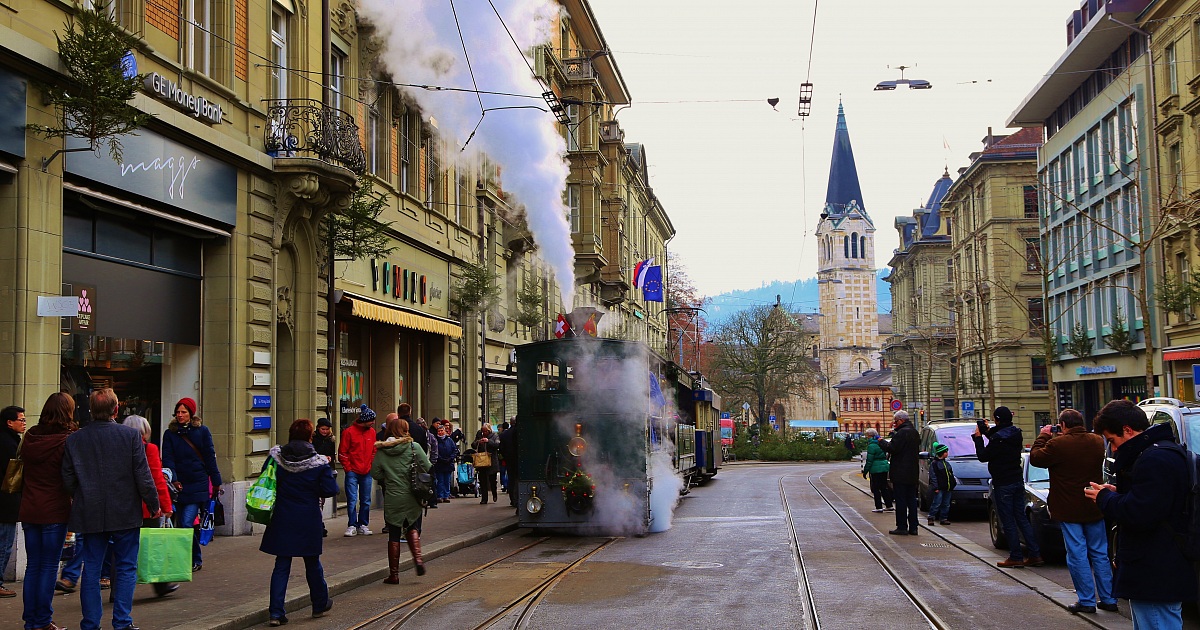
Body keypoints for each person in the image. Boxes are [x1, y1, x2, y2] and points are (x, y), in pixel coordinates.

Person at [1085, 399, 1196, 628]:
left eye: (1113, 441)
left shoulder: (1153, 458)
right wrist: (1119, 493)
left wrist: (1106, 499)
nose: (1113, 448)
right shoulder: (1161, 452)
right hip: (1159, 563)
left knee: (1155, 621)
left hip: (1155, 566)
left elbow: (1141, 513)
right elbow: (1154, 500)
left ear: (1127, 430)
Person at [62, 388, 160, 630]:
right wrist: (153, 503)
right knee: (126, 567)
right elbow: (143, 475)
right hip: (125, 510)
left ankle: (91, 624)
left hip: (90, 510)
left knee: (92, 568)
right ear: (116, 410)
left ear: (91, 410)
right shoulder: (130, 437)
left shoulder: (75, 439)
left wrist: (81, 494)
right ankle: (122, 622)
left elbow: (67, 477)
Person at [1029, 408, 1115, 615]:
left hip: (1068, 507)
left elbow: (1036, 458)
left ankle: (1086, 600)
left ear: (1063, 425)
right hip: (1094, 504)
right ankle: (1108, 598)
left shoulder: (1058, 444)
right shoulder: (1096, 441)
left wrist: (1043, 436)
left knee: (1077, 553)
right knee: (1100, 553)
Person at [260, 419, 337, 626]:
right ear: (310, 437)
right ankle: (319, 603)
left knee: (282, 564)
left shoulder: (276, 457)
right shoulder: (319, 462)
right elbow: (330, 490)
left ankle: (276, 612)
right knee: (312, 562)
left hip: (282, 516)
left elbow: (265, 478)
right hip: (307, 517)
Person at [20, 393, 75, 630]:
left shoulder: (30, 435)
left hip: (30, 508)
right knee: (49, 566)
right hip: (54, 509)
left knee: (33, 565)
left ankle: (31, 621)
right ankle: (42, 621)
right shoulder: (67, 439)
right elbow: (70, 477)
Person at [974, 405, 1042, 568]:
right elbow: (1000, 436)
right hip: (1017, 480)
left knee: (1008, 520)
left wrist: (977, 438)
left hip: (1003, 483)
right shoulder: (1015, 433)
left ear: (997, 419)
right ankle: (1035, 554)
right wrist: (988, 431)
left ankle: (1016, 556)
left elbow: (983, 456)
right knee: (1021, 518)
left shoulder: (998, 439)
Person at [160, 397, 222, 571]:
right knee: (183, 525)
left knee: (186, 522)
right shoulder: (170, 434)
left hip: (198, 482)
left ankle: (192, 559)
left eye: (184, 412)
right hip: (179, 485)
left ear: (191, 414)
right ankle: (192, 558)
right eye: (178, 412)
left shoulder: (202, 431)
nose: (180, 415)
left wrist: (216, 481)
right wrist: (174, 479)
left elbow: (210, 457)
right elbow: (168, 458)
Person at [122, 414, 179, 598]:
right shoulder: (149, 449)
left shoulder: (119, 448)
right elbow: (156, 480)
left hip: (123, 507)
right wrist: (166, 506)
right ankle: (161, 584)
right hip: (147, 507)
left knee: (121, 551)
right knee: (154, 545)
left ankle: (117, 589)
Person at [371, 416, 432, 581]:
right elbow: (427, 467)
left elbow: (375, 473)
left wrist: (388, 475)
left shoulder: (382, 450)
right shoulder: (414, 447)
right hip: (412, 494)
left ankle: (394, 575)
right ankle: (418, 559)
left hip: (393, 495)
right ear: (406, 430)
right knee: (412, 525)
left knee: (394, 533)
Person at [338, 404, 377, 537]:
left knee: (366, 500)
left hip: (366, 470)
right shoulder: (349, 432)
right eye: (371, 420)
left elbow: (374, 450)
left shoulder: (371, 432)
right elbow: (343, 452)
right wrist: (348, 468)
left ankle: (363, 524)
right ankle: (352, 524)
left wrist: (370, 464)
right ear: (365, 419)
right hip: (353, 471)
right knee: (352, 499)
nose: (373, 422)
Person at [0, 405, 25, 598]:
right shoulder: (10, 445)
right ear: (9, 422)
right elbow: (12, 478)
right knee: (4, 543)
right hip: (5, 503)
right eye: (21, 420)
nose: (24, 423)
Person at [881, 411, 919, 535]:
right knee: (912, 500)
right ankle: (914, 527)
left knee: (901, 500)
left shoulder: (902, 433)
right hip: (913, 472)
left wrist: (882, 442)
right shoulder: (914, 432)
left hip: (900, 472)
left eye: (895, 421)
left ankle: (902, 526)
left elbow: (893, 448)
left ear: (901, 420)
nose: (894, 423)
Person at [862, 428, 893, 513]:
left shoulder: (872, 446)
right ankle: (889, 505)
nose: (866, 437)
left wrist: (865, 471)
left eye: (867, 435)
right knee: (884, 486)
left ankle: (879, 506)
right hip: (884, 466)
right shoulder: (880, 443)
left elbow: (869, 460)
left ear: (870, 436)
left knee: (876, 488)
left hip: (875, 468)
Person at [473, 424, 501, 505]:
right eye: (483, 431)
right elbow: (473, 445)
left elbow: (497, 445)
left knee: (492, 480)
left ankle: (494, 494)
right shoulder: (479, 435)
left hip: (491, 461)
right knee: (483, 481)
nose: (484, 433)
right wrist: (479, 442)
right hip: (481, 462)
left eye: (485, 431)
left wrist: (488, 441)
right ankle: (484, 499)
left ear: (489, 430)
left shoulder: (494, 436)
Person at [927, 442, 953, 526]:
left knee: (946, 504)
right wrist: (936, 487)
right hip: (940, 487)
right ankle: (931, 517)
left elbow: (950, 475)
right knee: (937, 503)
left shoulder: (946, 464)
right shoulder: (935, 464)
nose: (947, 453)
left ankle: (944, 518)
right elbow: (933, 476)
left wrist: (952, 484)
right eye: (946, 452)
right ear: (942, 453)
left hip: (947, 487)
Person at [432, 424, 458, 504]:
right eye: (439, 431)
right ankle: (440, 496)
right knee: (440, 481)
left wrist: (451, 458)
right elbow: (434, 451)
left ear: (444, 431)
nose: (440, 432)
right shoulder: (435, 440)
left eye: (441, 431)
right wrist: (440, 459)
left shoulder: (449, 440)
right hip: (439, 464)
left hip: (448, 464)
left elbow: (455, 450)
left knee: (447, 480)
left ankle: (446, 495)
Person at [499, 419, 518, 508]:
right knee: (518, 479)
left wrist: (506, 456)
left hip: (509, 460)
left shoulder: (504, 434)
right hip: (518, 460)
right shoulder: (519, 431)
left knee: (511, 479)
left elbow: (501, 449)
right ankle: (517, 499)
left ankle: (513, 500)